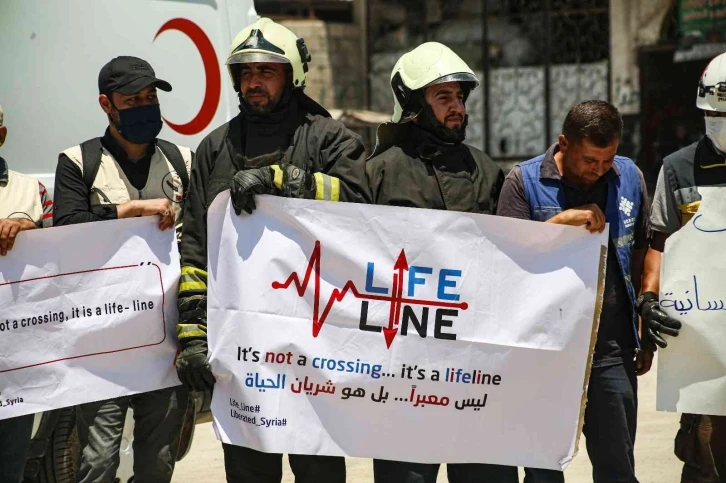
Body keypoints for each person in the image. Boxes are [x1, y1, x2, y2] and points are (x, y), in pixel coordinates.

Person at [174, 18, 369, 483]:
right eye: (245, 73)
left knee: (318, 470)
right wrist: (191, 337)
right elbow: (197, 247)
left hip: (314, 346)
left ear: (292, 75)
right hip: (242, 349)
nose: (253, 82)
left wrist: (286, 181)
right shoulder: (214, 149)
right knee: (248, 472)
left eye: (266, 71)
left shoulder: (329, 138)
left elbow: (363, 202)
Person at [366, 41, 513, 483]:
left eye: (460, 98)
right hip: (403, 369)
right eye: (444, 97)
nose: (457, 108)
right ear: (413, 104)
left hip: (477, 365)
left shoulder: (487, 171)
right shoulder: (380, 171)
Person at [52, 56, 192, 483]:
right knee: (97, 462)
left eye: (151, 97)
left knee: (158, 462)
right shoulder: (78, 162)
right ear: (106, 105)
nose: (145, 106)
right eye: (132, 100)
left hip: (165, 343)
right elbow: (67, 232)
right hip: (102, 345)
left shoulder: (181, 160)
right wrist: (128, 210)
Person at [497, 100, 650, 483]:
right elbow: (504, 261)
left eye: (607, 160)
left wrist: (644, 319)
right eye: (589, 160)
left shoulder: (628, 177)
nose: (598, 170)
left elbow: (643, 250)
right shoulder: (524, 181)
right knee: (543, 470)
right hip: (544, 350)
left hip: (610, 349)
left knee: (618, 467)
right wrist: (559, 223)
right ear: (564, 144)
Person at [641, 52, 726, 483]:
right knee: (704, 456)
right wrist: (649, 299)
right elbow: (660, 242)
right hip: (706, 355)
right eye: (712, 113)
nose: (720, 121)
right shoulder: (677, 169)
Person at [0, 103, 53, 483]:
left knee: (10, 466)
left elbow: (67, 257)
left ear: (1, 135)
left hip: (14, 360)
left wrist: (31, 228)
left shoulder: (32, 191)